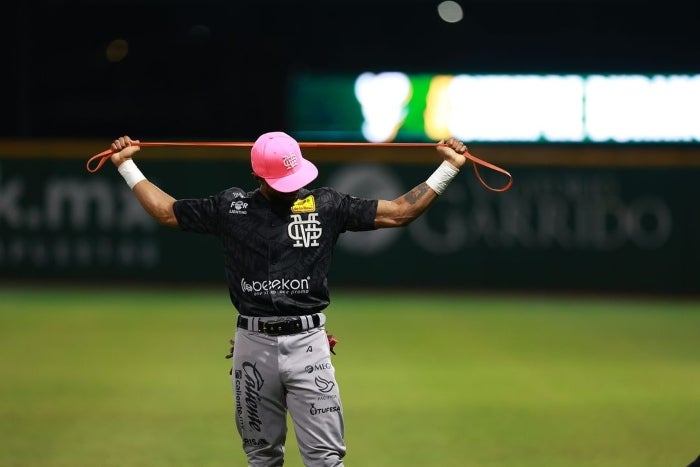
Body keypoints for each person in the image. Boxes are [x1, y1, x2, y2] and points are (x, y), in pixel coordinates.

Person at [109, 131, 469, 467]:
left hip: (308, 343)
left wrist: (448, 167)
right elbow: (166, 211)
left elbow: (400, 212)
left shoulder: (327, 204)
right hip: (253, 344)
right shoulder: (230, 207)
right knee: (262, 459)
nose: (292, 189)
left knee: (326, 460)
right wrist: (126, 163)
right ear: (257, 177)